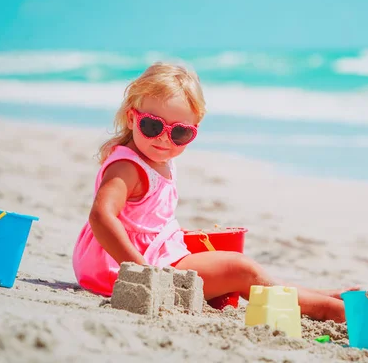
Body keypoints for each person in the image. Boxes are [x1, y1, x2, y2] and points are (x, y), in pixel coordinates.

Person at [72, 62, 350, 322]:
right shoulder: (127, 167)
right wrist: (142, 274)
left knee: (243, 269)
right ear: (133, 119)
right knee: (241, 270)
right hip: (122, 267)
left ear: (194, 131)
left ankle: (320, 295)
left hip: (153, 254)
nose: (163, 139)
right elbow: (101, 216)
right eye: (153, 125)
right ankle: (328, 310)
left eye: (179, 133)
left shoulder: (156, 158)